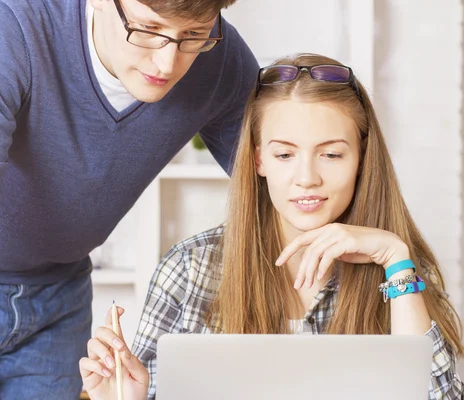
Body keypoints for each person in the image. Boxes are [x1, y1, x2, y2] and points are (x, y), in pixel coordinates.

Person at [0, 0, 259, 398]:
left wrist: (329, 229)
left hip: (57, 295)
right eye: (147, 29)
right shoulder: (10, 24)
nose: (166, 63)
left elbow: (276, 179)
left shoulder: (221, 59)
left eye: (193, 36)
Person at [80, 53, 464, 400]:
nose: (307, 178)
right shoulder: (190, 269)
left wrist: (395, 257)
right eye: (284, 154)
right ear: (259, 159)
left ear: (362, 158)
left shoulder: (404, 273)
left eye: (331, 154)